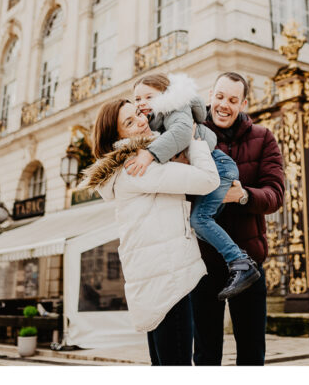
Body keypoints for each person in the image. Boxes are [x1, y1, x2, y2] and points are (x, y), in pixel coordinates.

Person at [79, 98, 219, 366]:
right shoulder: (139, 167)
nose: (142, 121)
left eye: (139, 114)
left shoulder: (130, 167)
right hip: (169, 283)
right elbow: (208, 180)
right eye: (129, 122)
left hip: (157, 282)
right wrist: (194, 141)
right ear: (115, 137)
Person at [124, 72, 261, 299]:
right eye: (137, 99)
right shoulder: (156, 118)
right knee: (198, 223)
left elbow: (181, 133)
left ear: (166, 94)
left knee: (200, 219)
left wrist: (149, 155)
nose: (142, 103)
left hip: (219, 166)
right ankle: (238, 258)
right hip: (214, 166)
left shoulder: (175, 108)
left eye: (148, 96)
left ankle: (241, 263)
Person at [192, 71, 285, 366]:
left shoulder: (264, 138)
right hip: (203, 263)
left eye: (232, 100)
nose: (224, 105)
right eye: (219, 97)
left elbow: (275, 195)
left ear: (243, 103)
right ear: (211, 95)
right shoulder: (192, 134)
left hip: (249, 263)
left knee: (251, 353)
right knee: (206, 355)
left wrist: (243, 196)